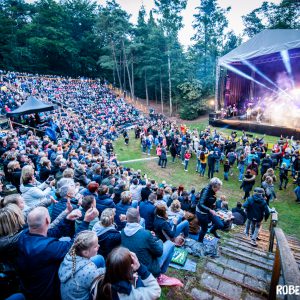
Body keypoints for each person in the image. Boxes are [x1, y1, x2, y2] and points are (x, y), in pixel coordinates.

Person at [16, 206, 98, 300]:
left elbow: (51, 233)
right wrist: (86, 221)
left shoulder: (24, 235)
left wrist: (67, 220)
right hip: (44, 294)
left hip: (28, 286)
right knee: (97, 259)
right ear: (47, 220)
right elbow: (73, 246)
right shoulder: (47, 248)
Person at [121, 208, 174, 282]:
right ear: (139, 218)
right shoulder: (146, 234)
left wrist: (150, 237)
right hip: (147, 271)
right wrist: (160, 242)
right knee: (170, 244)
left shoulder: (122, 232)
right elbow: (159, 252)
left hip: (131, 269)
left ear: (127, 219)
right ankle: (161, 274)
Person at [91, 247, 161, 300]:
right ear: (128, 270)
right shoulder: (132, 296)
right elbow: (156, 290)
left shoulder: (97, 281)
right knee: (139, 280)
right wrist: (140, 268)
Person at [59, 231, 105, 300]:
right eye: (95, 246)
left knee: (99, 258)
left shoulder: (70, 253)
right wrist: (110, 269)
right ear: (85, 253)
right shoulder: (89, 270)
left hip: (73, 286)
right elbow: (96, 273)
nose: (99, 246)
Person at [196, 178, 224, 242]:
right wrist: (210, 210)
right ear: (213, 186)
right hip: (201, 212)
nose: (219, 189)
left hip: (209, 210)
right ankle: (200, 242)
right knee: (204, 229)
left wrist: (214, 209)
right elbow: (201, 203)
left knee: (220, 224)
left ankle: (212, 230)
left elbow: (210, 201)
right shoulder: (206, 191)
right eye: (218, 188)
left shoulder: (213, 190)